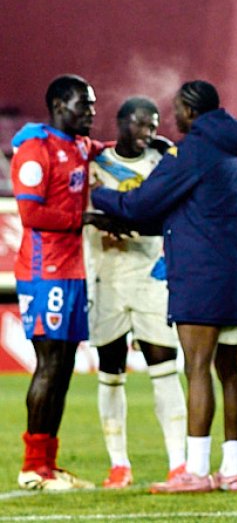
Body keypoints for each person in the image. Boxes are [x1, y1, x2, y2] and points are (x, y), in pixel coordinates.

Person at [91, 80, 237, 494]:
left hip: (199, 273)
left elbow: (141, 203)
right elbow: (186, 210)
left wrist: (98, 196)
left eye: (178, 109)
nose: (174, 117)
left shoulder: (193, 150)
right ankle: (230, 470)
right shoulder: (235, 147)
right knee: (229, 371)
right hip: (235, 272)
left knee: (196, 369)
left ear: (190, 110)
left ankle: (195, 471)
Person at [12, 75, 116, 490]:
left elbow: (106, 150)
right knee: (50, 366)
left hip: (73, 271)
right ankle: (32, 467)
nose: (91, 111)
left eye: (92, 104)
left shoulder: (79, 146)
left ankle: (48, 466)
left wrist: (145, 144)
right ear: (58, 105)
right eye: (83, 104)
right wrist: (82, 218)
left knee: (64, 368)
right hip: (44, 272)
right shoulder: (35, 149)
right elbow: (31, 214)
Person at [85, 96, 187, 489]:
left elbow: (165, 213)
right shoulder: (96, 163)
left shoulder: (161, 162)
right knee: (110, 373)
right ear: (122, 122)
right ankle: (119, 464)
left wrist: (118, 220)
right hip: (106, 280)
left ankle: (178, 464)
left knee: (164, 369)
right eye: (141, 124)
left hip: (151, 279)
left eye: (154, 125)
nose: (148, 132)